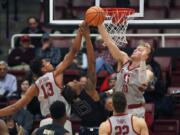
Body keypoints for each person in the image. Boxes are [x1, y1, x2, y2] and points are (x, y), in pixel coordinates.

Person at [0, 26, 83, 134]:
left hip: (45, 124)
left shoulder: (35, 86)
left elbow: (15, 107)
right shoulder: (56, 74)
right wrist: (80, 32)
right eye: (46, 62)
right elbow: (73, 51)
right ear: (43, 68)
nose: (50, 63)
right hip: (61, 123)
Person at [62, 23, 109, 135]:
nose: (74, 80)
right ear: (76, 91)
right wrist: (87, 37)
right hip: (98, 131)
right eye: (72, 83)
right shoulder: (89, 90)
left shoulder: (72, 101)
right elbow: (92, 63)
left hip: (84, 130)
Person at [98, 24, 154, 118]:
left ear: (146, 57)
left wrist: (143, 60)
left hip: (135, 111)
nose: (136, 50)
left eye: (140, 50)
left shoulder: (147, 72)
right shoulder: (124, 59)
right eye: (136, 49)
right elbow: (110, 43)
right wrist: (100, 25)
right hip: (118, 109)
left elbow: (144, 80)